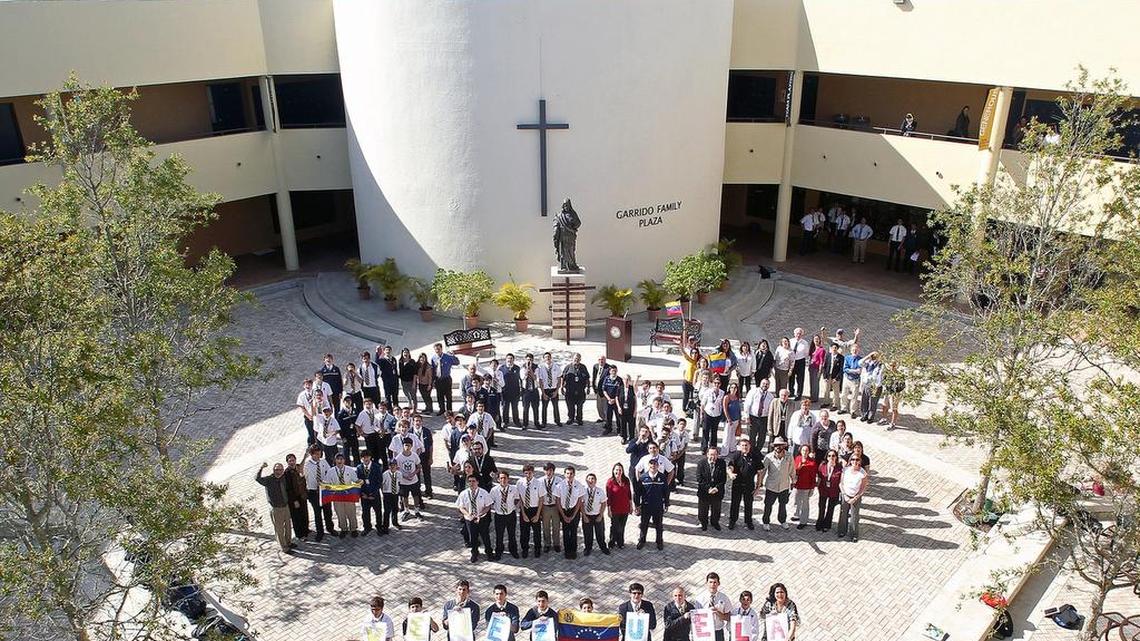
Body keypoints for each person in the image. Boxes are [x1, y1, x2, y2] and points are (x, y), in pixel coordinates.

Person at [256, 462, 295, 554]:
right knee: (279, 529)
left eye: (281, 469)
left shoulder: (283, 478)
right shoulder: (269, 480)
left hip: (285, 506)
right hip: (276, 508)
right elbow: (257, 479)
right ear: (273, 470)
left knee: (288, 526)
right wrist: (261, 468)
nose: (279, 471)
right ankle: (284, 547)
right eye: (277, 469)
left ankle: (288, 542)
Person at [322, 453, 361, 538]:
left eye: (341, 459)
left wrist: (360, 482)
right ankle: (343, 529)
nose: (340, 461)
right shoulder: (330, 471)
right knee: (340, 513)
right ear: (335, 460)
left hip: (348, 495)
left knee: (351, 513)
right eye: (338, 459)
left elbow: (355, 480)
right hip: (337, 496)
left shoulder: (350, 470)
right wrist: (325, 486)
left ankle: (353, 529)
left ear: (344, 460)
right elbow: (326, 483)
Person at [760, 438, 794, 531]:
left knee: (783, 505)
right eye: (776, 445)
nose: (778, 447)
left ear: (784, 446)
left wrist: (793, 481)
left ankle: (782, 520)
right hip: (771, 486)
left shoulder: (789, 456)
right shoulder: (768, 457)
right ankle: (766, 522)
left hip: (784, 485)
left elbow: (792, 469)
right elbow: (763, 471)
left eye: (780, 445)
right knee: (768, 505)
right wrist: (760, 483)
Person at [457, 475, 493, 562]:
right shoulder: (464, 494)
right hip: (470, 519)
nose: (471, 483)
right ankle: (474, 553)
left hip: (482, 519)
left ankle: (489, 553)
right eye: (469, 481)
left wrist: (480, 515)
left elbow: (488, 506)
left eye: (473, 481)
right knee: (473, 537)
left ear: (477, 482)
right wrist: (468, 515)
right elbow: (461, 507)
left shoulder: (483, 493)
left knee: (485, 536)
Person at [726, 438, 760, 529]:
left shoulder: (755, 456)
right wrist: (730, 473)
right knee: (735, 503)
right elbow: (730, 466)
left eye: (746, 445)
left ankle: (748, 521)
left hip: (749, 485)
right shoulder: (736, 455)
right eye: (743, 445)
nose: (744, 447)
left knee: (749, 504)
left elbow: (760, 472)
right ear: (739, 446)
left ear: (749, 446)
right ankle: (732, 521)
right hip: (737, 484)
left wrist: (758, 487)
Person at [303, 445, 334, 540]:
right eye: (316, 454)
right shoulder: (307, 464)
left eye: (320, 453)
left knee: (328, 511)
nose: (318, 455)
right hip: (313, 492)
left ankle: (330, 528)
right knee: (317, 513)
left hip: (324, 490)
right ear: (312, 454)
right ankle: (320, 532)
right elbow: (303, 477)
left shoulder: (323, 461)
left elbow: (329, 473)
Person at [636, 458, 668, 550]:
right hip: (646, 506)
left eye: (655, 465)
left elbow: (666, 491)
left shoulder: (662, 477)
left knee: (659, 525)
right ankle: (642, 540)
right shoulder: (643, 478)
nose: (653, 467)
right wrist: (637, 505)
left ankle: (659, 541)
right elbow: (638, 493)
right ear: (648, 467)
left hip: (658, 505)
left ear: (658, 466)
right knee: (644, 524)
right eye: (651, 465)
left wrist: (666, 503)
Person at [838, 453, 869, 542]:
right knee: (843, 513)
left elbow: (863, 487)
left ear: (860, 461)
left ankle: (854, 534)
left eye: (857, 460)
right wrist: (844, 495)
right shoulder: (845, 470)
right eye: (853, 459)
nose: (855, 461)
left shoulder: (863, 473)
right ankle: (842, 531)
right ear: (850, 461)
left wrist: (856, 497)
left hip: (856, 497)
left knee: (854, 516)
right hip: (845, 495)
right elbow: (841, 483)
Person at [693, 573, 733, 641]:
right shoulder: (700, 599)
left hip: (718, 632)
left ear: (718, 583)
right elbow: (696, 618)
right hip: (704, 632)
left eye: (715, 582)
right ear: (706, 583)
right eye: (710, 582)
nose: (712, 585)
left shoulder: (724, 598)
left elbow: (729, 617)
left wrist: (718, 613)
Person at [514, 464, 542, 558]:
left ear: (533, 473)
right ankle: (524, 549)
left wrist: (538, 515)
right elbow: (520, 498)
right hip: (524, 509)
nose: (528, 475)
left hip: (535, 509)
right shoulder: (519, 483)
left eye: (530, 473)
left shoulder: (538, 483)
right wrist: (523, 513)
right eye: (526, 473)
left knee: (537, 531)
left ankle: (537, 549)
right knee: (524, 531)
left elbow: (541, 499)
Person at [557, 465, 585, 559]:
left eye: (571, 473)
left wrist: (573, 515)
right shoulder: (560, 485)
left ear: (574, 474)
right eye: (567, 473)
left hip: (574, 510)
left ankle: (573, 551)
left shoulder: (578, 485)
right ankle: (567, 550)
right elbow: (558, 501)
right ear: (564, 474)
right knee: (565, 531)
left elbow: (579, 501)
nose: (569, 475)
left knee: (573, 531)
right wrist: (563, 515)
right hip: (564, 510)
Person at [696, 447, 726, 531]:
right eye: (711, 454)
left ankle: (715, 522)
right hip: (704, 492)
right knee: (703, 511)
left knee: (716, 510)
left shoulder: (722, 463)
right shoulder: (701, 463)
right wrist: (708, 489)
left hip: (717, 492)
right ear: (707, 454)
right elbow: (699, 479)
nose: (713, 457)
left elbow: (723, 478)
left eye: (716, 454)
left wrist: (716, 488)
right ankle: (704, 523)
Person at [395, 437, 425, 519]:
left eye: (409, 445)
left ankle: (416, 511)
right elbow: (396, 469)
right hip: (403, 481)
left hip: (414, 480)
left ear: (411, 446)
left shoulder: (414, 455)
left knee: (416, 496)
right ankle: (406, 510)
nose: (407, 447)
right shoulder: (399, 457)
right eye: (405, 445)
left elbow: (419, 466)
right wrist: (404, 475)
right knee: (405, 496)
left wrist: (413, 473)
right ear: (403, 446)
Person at [581, 472, 610, 555]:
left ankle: (603, 547)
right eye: (589, 479)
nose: (591, 480)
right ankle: (588, 548)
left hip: (597, 515)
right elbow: (581, 504)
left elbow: (604, 503)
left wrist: (601, 515)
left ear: (595, 481)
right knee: (587, 534)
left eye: (592, 479)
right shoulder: (583, 491)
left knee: (600, 533)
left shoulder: (600, 491)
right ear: (586, 480)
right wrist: (584, 516)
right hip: (587, 516)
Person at [283, 453, 310, 541]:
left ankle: (306, 530)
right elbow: (289, 489)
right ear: (287, 462)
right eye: (290, 461)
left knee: (304, 514)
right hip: (294, 498)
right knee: (296, 517)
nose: (292, 462)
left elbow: (302, 465)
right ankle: (300, 534)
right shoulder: (287, 473)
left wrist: (305, 455)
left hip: (302, 495)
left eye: (293, 460)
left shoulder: (297, 467)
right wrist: (294, 500)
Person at [538, 462, 563, 554]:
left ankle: (557, 544)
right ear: (544, 471)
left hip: (555, 506)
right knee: (545, 526)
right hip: (545, 506)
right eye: (546, 470)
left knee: (556, 526)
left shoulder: (559, 480)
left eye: (550, 470)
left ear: (553, 471)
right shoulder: (540, 481)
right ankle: (547, 544)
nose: (548, 472)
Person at [606, 463, 633, 549]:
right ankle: (612, 542)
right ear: (613, 471)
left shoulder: (626, 480)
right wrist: (609, 510)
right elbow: (608, 497)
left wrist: (631, 506)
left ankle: (620, 542)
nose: (618, 471)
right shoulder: (610, 482)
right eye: (616, 470)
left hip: (625, 508)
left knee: (622, 526)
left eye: (620, 470)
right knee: (614, 526)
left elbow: (629, 494)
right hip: (614, 509)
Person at [815, 449, 842, 531]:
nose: (831, 457)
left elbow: (841, 480)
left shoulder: (839, 468)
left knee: (830, 508)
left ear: (836, 457)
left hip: (834, 491)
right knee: (821, 507)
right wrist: (816, 486)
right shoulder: (822, 465)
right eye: (829, 456)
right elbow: (819, 477)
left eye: (833, 456)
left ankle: (827, 524)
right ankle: (819, 523)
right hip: (823, 490)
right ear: (827, 457)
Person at [357, 450, 383, 536]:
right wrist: (362, 494)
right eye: (364, 457)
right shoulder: (359, 468)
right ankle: (367, 527)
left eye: (367, 457)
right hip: (364, 495)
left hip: (374, 494)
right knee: (365, 512)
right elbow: (358, 482)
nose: (366, 459)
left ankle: (379, 527)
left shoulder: (376, 467)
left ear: (370, 457)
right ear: (361, 459)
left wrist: (373, 494)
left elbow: (379, 481)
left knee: (378, 511)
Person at [431, 343, 461, 415]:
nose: (437, 351)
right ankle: (442, 409)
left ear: (441, 349)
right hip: (438, 380)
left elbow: (457, 362)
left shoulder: (448, 357)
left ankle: (449, 410)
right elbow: (433, 370)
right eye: (436, 349)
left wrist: (453, 356)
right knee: (439, 396)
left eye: (438, 349)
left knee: (448, 396)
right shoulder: (433, 358)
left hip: (446, 379)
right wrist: (433, 381)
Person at [792, 444, 816, 530]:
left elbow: (813, 477)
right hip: (797, 485)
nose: (804, 452)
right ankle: (797, 515)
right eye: (803, 450)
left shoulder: (812, 463)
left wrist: (812, 488)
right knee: (797, 501)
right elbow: (793, 470)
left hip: (806, 486)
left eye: (806, 450)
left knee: (805, 504)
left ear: (809, 452)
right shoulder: (797, 458)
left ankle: (803, 521)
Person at [744, 377, 773, 448]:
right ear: (760, 384)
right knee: (752, 437)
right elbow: (747, 404)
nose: (765, 385)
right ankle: (751, 452)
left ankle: (757, 453)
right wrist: (747, 417)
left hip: (764, 418)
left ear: (769, 386)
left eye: (767, 384)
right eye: (763, 383)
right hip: (753, 417)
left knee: (762, 437)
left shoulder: (770, 396)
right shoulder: (753, 392)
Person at [698, 376, 725, 452]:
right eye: (715, 383)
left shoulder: (722, 393)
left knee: (714, 431)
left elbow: (722, 404)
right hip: (708, 413)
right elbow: (703, 404)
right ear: (712, 383)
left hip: (716, 414)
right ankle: (704, 447)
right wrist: (702, 414)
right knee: (705, 431)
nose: (716, 384)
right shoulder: (708, 391)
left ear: (720, 384)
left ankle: (713, 447)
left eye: (718, 383)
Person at [563, 353, 590, 426]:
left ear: (580, 359)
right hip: (570, 391)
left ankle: (579, 419)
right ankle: (570, 418)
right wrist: (562, 388)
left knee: (580, 406)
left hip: (580, 391)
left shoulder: (583, 367)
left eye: (578, 359)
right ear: (572, 359)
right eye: (575, 359)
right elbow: (563, 378)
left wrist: (588, 387)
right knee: (570, 406)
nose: (576, 360)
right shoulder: (568, 367)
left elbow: (587, 378)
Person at [858, 351, 884, 423]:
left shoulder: (880, 365)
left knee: (873, 402)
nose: (873, 357)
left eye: (875, 356)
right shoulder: (867, 363)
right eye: (873, 356)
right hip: (866, 384)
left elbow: (880, 375)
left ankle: (870, 417)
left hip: (875, 386)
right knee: (864, 401)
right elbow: (859, 363)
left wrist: (879, 359)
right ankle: (864, 415)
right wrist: (868, 355)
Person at [839, 344, 864, 415]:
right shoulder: (847, 358)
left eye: (856, 350)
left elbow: (859, 370)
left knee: (854, 396)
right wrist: (854, 371)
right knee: (844, 394)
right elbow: (845, 369)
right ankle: (843, 408)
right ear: (851, 351)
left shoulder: (860, 359)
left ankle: (853, 411)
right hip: (847, 379)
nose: (855, 351)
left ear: (858, 350)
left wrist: (853, 370)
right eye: (853, 350)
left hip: (855, 380)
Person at [499, 354, 522, 427]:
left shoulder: (517, 368)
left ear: (513, 359)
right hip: (505, 392)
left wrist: (521, 390)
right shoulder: (501, 368)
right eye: (508, 358)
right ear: (506, 359)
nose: (509, 360)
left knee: (515, 408)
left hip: (515, 392)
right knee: (505, 408)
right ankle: (505, 421)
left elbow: (520, 379)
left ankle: (516, 421)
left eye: (511, 358)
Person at [880, 361, 905, 429]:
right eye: (891, 365)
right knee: (884, 406)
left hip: (895, 394)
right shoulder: (887, 374)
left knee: (894, 408)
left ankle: (893, 423)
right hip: (887, 392)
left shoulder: (899, 375)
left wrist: (896, 390)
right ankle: (884, 419)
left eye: (893, 366)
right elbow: (883, 381)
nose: (892, 367)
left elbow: (902, 385)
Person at [720, 382, 742, 457]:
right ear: (729, 388)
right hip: (729, 420)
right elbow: (725, 409)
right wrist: (728, 419)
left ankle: (732, 448)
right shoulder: (727, 397)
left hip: (736, 419)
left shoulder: (737, 397)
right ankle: (724, 451)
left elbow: (738, 409)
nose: (733, 389)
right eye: (732, 387)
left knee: (733, 435)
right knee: (727, 435)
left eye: (735, 388)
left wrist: (739, 419)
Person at [381, 459, 402, 533]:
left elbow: (399, 483)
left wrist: (399, 491)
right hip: (387, 493)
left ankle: (395, 522)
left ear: (397, 466)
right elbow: (382, 484)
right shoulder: (385, 474)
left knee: (395, 509)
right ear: (389, 466)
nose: (393, 467)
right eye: (391, 465)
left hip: (395, 493)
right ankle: (385, 526)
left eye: (394, 465)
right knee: (387, 510)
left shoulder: (399, 474)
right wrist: (383, 492)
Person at [789, 328, 810, 401]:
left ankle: (799, 394)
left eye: (800, 333)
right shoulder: (790, 341)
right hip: (791, 361)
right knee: (791, 377)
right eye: (797, 333)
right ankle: (791, 391)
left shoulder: (805, 343)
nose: (798, 335)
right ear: (794, 334)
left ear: (802, 335)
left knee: (800, 379)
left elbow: (806, 353)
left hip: (800, 361)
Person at [821, 343, 843, 411]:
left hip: (835, 377)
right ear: (830, 348)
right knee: (826, 390)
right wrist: (824, 376)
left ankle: (835, 405)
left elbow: (841, 369)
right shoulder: (828, 355)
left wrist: (836, 378)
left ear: (837, 349)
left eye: (835, 348)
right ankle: (826, 402)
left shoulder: (841, 357)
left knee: (836, 391)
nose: (834, 349)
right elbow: (824, 366)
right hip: (828, 376)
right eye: (833, 348)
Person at [296, 378, 317, 445]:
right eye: (306, 385)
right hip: (308, 416)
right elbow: (302, 407)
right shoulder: (302, 395)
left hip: (317, 415)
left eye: (309, 384)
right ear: (303, 386)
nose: (308, 386)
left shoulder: (316, 392)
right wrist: (308, 416)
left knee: (318, 432)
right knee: (310, 432)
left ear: (312, 385)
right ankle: (311, 446)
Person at [591, 355, 610, 425]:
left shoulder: (608, 368)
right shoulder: (595, 366)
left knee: (605, 406)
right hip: (597, 390)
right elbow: (594, 377)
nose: (601, 361)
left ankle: (607, 420)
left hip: (604, 391)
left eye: (602, 359)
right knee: (599, 406)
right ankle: (602, 417)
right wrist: (593, 387)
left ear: (605, 360)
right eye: (599, 359)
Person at [808, 333, 826, 404]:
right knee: (811, 382)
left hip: (817, 368)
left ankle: (815, 398)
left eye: (817, 339)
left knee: (815, 383)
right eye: (815, 339)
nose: (816, 340)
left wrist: (820, 370)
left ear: (819, 340)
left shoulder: (822, 350)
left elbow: (822, 361)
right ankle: (812, 396)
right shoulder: (812, 348)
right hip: (811, 367)